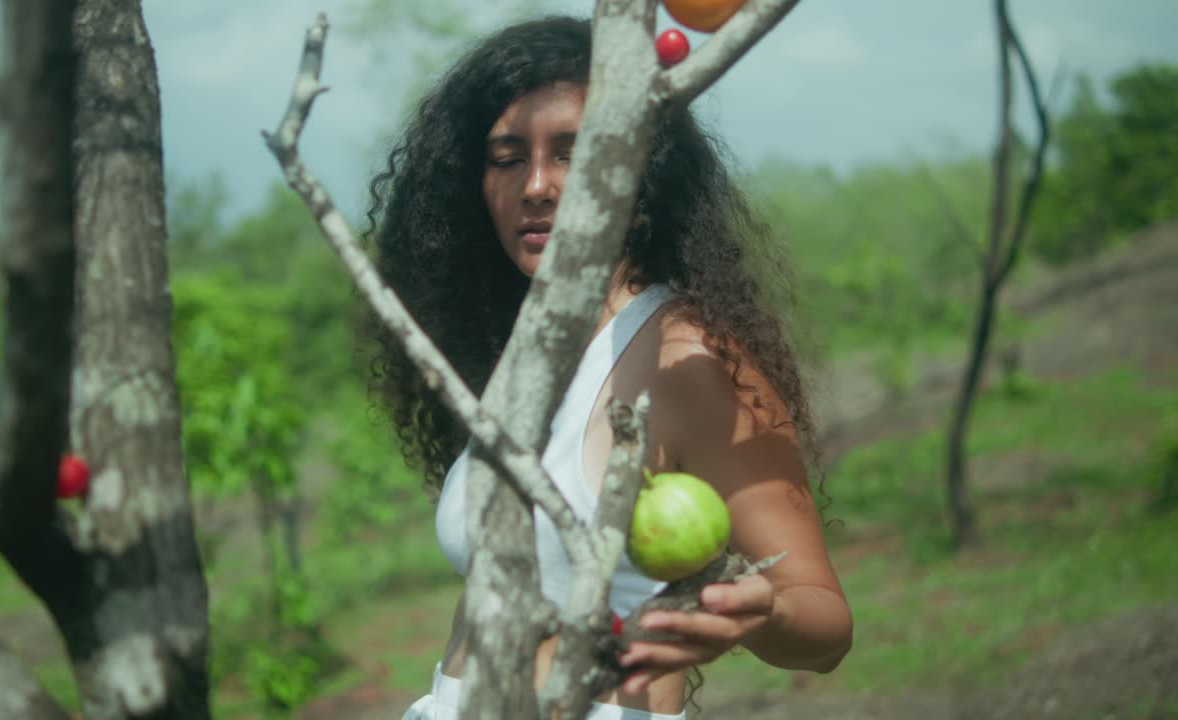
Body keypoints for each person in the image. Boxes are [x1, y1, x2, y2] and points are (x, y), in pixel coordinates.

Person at [359, 15, 853, 720]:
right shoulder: (521, 347)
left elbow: (825, 620)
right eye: (506, 158)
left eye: (572, 153)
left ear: (640, 179)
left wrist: (761, 614)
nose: (536, 184)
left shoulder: (684, 359)